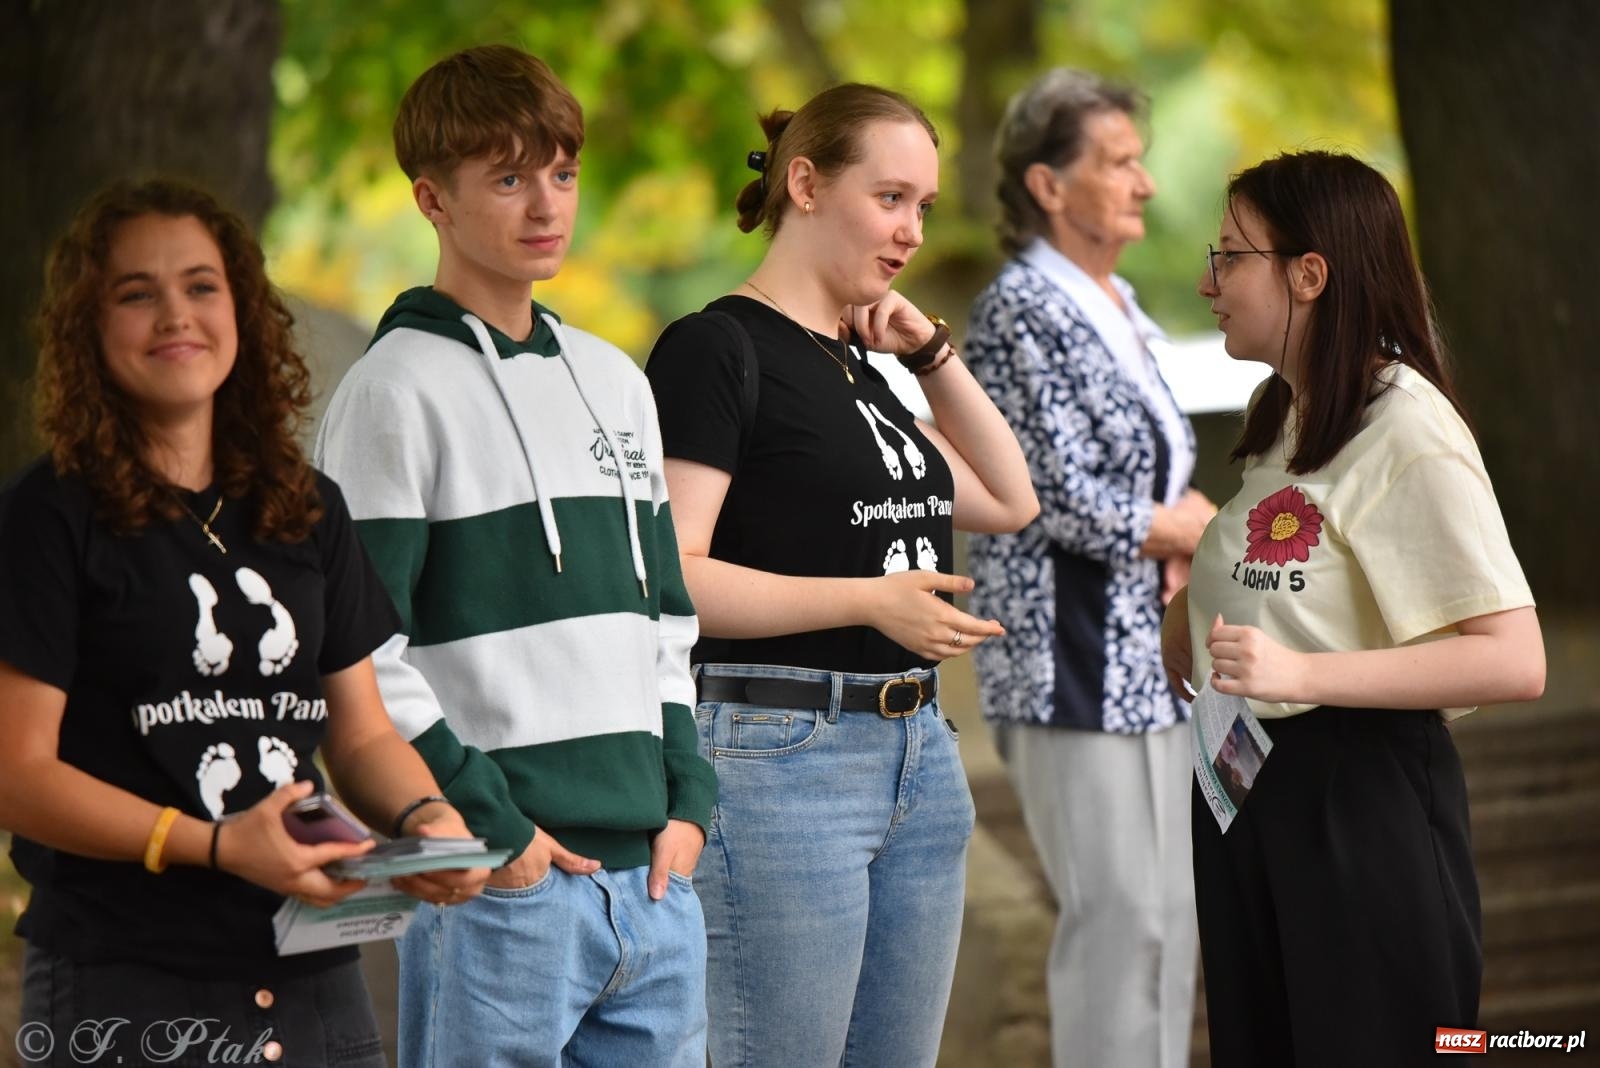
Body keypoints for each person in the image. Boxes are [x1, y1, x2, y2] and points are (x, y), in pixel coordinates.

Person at [0, 178, 489, 1068]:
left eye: (200, 285)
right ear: (86, 327)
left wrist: (428, 817)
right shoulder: (47, 519)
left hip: (316, 983)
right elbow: (16, 773)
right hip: (127, 990)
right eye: (135, 293)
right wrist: (219, 847)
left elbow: (364, 732)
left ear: (242, 309)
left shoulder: (307, 508)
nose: (174, 314)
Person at [314, 45, 716, 1068]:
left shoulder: (614, 379)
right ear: (430, 198)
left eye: (562, 173)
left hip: (656, 888)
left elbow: (664, 620)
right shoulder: (392, 391)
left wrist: (687, 802)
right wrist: (492, 829)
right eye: (506, 177)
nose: (545, 204)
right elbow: (362, 653)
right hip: (506, 887)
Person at [645, 83, 1039, 1067]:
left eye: (925, 208)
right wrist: (867, 602)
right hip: (780, 759)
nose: (909, 230)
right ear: (807, 182)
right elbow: (670, 578)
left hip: (917, 755)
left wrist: (931, 351)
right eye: (891, 197)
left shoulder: (864, 367)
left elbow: (1008, 497)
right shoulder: (714, 349)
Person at [1165, 150, 1545, 1066]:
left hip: (1357, 798)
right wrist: (1191, 605)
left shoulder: (1404, 425)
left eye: (1231, 257)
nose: (1208, 281)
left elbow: (1513, 658)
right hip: (1246, 789)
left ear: (1309, 274)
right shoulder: (1286, 412)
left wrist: (1302, 673)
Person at [963, 68, 1209, 1068]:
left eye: (1138, 160)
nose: (1144, 182)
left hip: (1151, 662)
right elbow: (1053, 497)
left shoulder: (1121, 303)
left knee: (1173, 921)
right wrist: (1190, 528)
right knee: (1119, 922)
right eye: (1116, 162)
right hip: (1067, 661)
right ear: (1047, 187)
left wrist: (1188, 525)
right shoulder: (1019, 311)